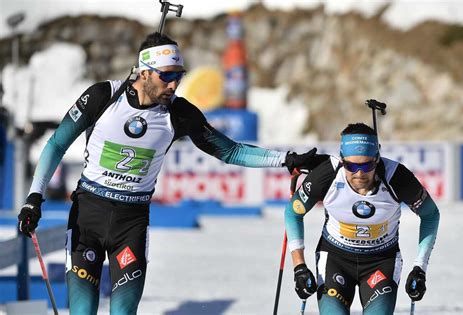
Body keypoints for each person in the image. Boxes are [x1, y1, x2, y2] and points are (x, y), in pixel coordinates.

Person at [17, 32, 320, 315]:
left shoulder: (179, 113)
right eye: (167, 76)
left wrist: (287, 158)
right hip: (88, 216)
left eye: (178, 77)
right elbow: (57, 143)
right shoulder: (103, 97)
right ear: (144, 72)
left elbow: (231, 151)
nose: (174, 85)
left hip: (130, 224)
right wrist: (34, 197)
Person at [285, 123, 440, 314]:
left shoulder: (397, 177)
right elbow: (293, 212)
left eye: (366, 165)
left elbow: (430, 215)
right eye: (351, 166)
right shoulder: (327, 175)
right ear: (342, 160)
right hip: (335, 259)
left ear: (377, 159)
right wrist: (299, 266)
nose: (359, 173)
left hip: (381, 261)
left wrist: (420, 268)